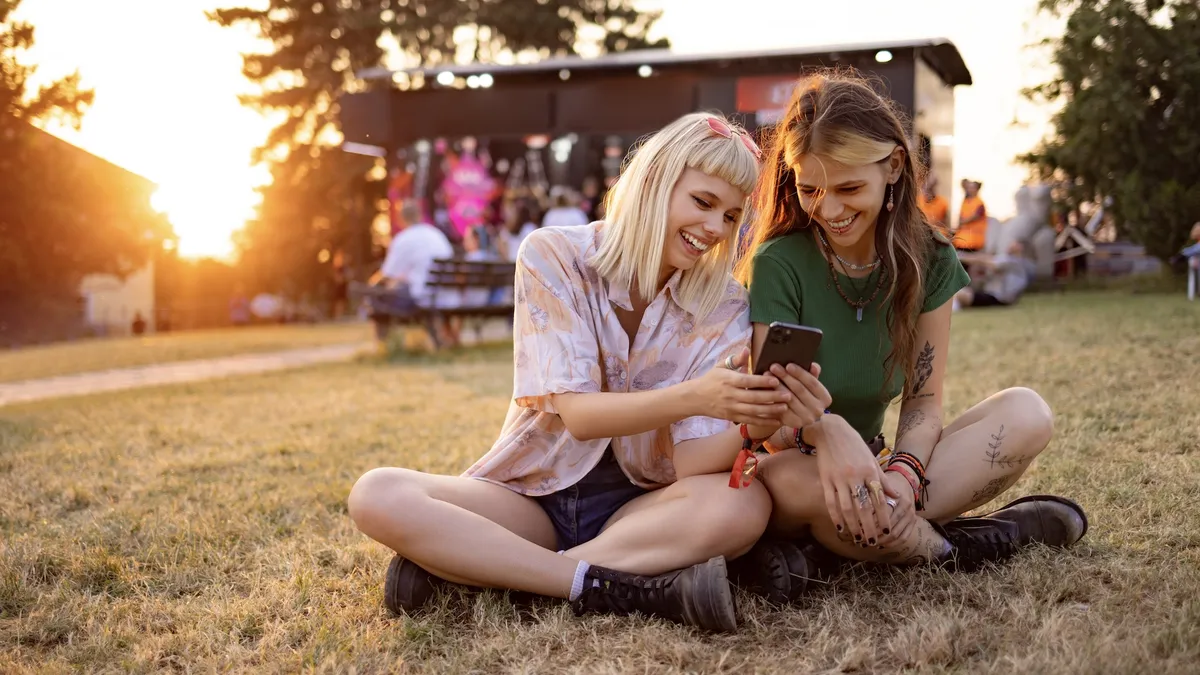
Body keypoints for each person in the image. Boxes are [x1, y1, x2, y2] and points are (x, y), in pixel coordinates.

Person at [347, 112, 828, 632]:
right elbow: (578, 414)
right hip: (531, 497)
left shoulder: (725, 303)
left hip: (642, 506)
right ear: (653, 183)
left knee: (743, 507)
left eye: (732, 217)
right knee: (377, 493)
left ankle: (497, 571)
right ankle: (609, 584)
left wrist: (755, 421)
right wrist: (697, 396)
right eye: (703, 202)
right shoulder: (554, 254)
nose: (714, 228)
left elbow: (692, 463)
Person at [733, 71, 1087, 602]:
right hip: (798, 464)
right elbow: (773, 419)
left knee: (1027, 413)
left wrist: (903, 474)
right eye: (810, 189)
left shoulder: (930, 258)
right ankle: (962, 547)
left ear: (893, 167)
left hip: (880, 474)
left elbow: (923, 402)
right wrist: (825, 436)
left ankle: (838, 547)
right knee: (789, 481)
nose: (829, 210)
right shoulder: (780, 263)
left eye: (850, 188)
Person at [956, 241, 1035, 308]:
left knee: (959, 294)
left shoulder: (1014, 261)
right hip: (998, 297)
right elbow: (988, 259)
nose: (1010, 244)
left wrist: (960, 256)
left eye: (1014, 243)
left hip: (999, 299)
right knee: (961, 293)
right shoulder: (1013, 261)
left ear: (1020, 247)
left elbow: (986, 261)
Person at [954, 179, 988, 251]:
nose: (969, 189)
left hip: (974, 241)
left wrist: (962, 222)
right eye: (969, 187)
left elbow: (974, 217)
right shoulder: (965, 202)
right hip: (962, 240)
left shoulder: (979, 203)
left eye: (972, 187)